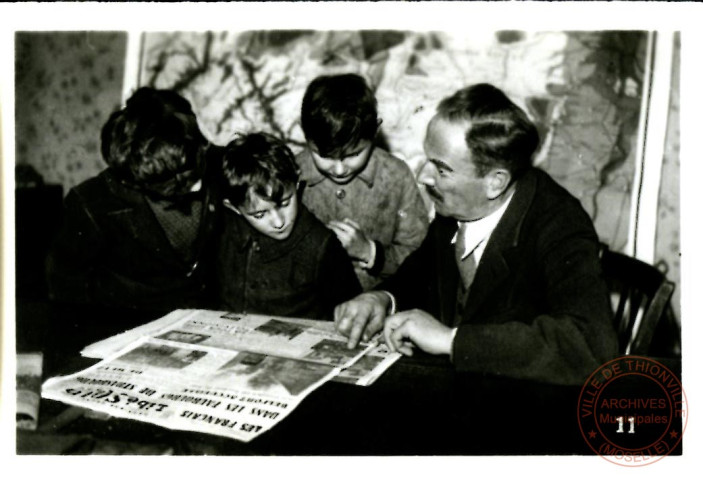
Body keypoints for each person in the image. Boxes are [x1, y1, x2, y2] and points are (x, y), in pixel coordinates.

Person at [334, 83, 617, 385]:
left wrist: (452, 341)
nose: (423, 176)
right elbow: (421, 270)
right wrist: (382, 299)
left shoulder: (559, 223)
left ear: (495, 182)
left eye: (441, 170)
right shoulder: (457, 206)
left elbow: (591, 345)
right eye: (428, 160)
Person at [46, 87, 222, 314]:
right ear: (139, 178)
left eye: (196, 167)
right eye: (179, 183)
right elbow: (64, 289)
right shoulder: (91, 204)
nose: (197, 185)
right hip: (124, 321)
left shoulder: (207, 158)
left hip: (201, 319)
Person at [296, 73, 429, 290]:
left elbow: (421, 254)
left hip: (376, 302)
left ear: (375, 132)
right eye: (325, 156)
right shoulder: (292, 173)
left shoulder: (396, 175)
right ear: (305, 134)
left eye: (352, 154)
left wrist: (369, 252)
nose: (339, 169)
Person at [215, 132, 362, 320]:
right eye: (260, 214)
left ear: (297, 183)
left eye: (285, 203)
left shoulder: (323, 246)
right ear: (234, 208)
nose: (279, 222)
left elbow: (353, 312)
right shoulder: (223, 231)